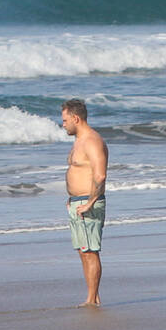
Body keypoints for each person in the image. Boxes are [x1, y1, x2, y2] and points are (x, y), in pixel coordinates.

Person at [61, 98, 108, 307]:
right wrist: (71, 199)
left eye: (65, 120)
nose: (63, 124)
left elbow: (100, 176)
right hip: (76, 202)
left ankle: (91, 299)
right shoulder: (78, 141)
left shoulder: (92, 141)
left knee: (90, 251)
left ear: (75, 118)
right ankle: (93, 297)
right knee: (83, 250)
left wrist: (90, 202)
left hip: (88, 203)